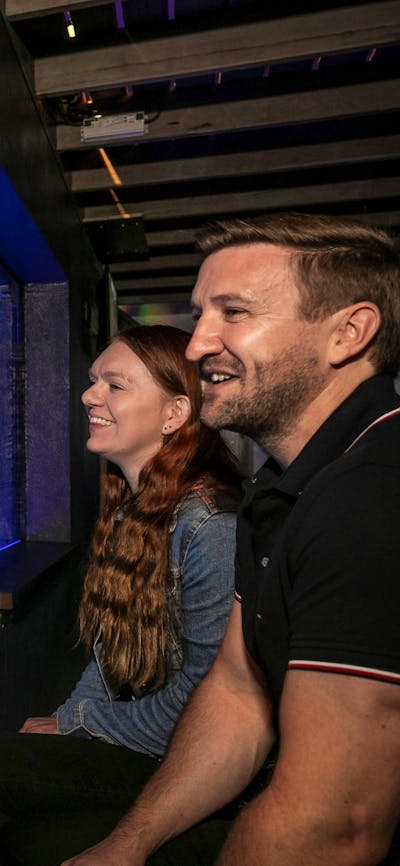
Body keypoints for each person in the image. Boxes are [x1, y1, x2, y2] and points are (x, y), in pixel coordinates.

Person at [0, 324, 242, 864]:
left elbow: (210, 705)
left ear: (174, 414)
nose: (90, 395)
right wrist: (70, 716)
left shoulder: (209, 527)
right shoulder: (127, 507)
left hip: (183, 768)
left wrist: (81, 724)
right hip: (140, 746)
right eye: (93, 381)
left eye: (115, 384)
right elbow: (106, 655)